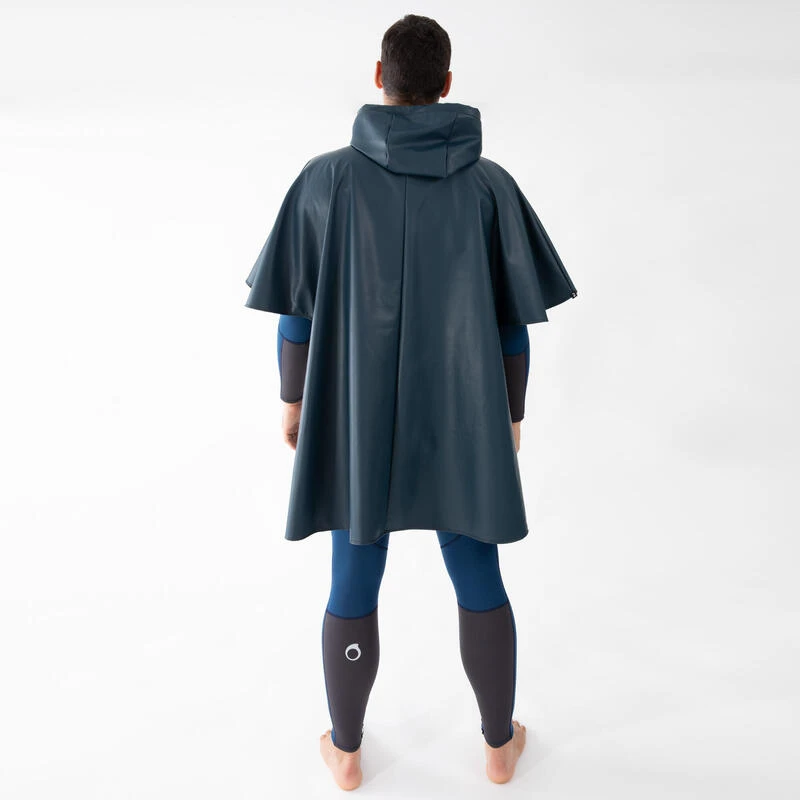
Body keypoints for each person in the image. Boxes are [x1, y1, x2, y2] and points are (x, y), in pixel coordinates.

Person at [245, 14, 577, 791]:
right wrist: (511, 414)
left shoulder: (325, 181)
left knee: (353, 576)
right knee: (477, 572)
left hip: (358, 421)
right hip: (464, 422)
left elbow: (297, 310)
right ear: (447, 86)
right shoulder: (490, 187)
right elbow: (511, 325)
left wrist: (294, 400)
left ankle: (347, 754)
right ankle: (499, 747)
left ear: (378, 78)